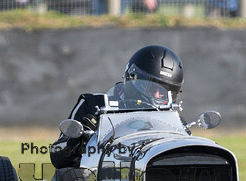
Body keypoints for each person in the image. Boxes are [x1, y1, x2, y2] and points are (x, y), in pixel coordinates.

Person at [50, 45, 184, 168]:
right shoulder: (93, 104)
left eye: (164, 92)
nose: (156, 94)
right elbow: (58, 156)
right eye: (151, 87)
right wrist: (80, 140)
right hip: (98, 180)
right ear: (132, 78)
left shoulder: (173, 121)